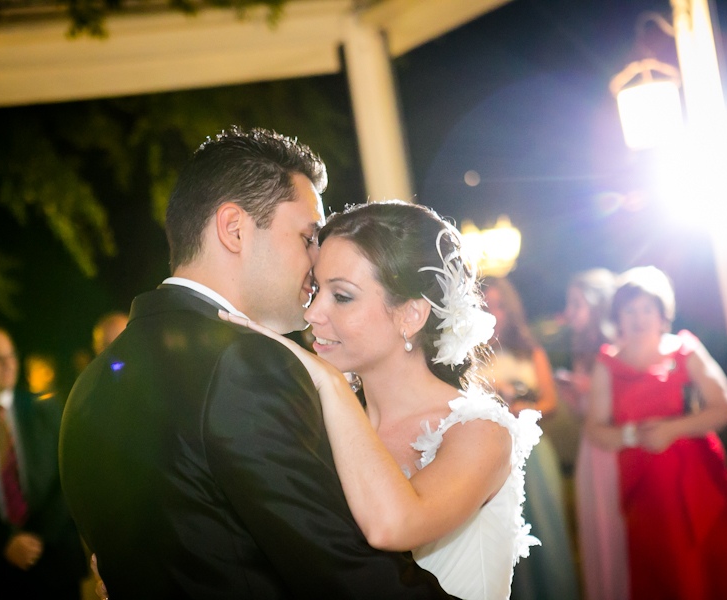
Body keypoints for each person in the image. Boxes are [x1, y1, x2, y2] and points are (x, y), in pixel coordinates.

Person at [59, 126, 457, 599]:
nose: (317, 260)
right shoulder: (245, 363)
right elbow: (343, 573)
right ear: (234, 229)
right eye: (308, 237)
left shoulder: (91, 385)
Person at [224, 200, 542, 599]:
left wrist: (331, 384)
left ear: (410, 315)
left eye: (341, 296)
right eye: (317, 289)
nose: (314, 313)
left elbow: (394, 525)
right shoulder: (317, 423)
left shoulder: (481, 433)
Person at [586, 266, 727, 600]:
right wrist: (633, 436)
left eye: (647, 309)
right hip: (645, 490)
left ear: (662, 314)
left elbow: (725, 406)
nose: (639, 318)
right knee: (665, 570)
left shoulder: (685, 350)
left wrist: (673, 429)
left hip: (698, 483)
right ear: (618, 316)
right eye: (630, 310)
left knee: (718, 566)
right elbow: (596, 429)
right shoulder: (607, 364)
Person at [0, 323, 85, 600]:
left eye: (11, 355)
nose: (8, 364)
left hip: (52, 559)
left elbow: (67, 477)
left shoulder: (44, 410)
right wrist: (3, 541)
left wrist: (37, 538)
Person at [480, 277, 580, 600]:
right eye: (486, 305)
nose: (494, 313)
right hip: (490, 453)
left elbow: (550, 402)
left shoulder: (530, 350)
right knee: (502, 532)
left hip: (532, 450)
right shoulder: (470, 354)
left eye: (499, 305)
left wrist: (526, 407)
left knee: (544, 526)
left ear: (510, 309)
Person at [557, 269, 627, 600]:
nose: (569, 313)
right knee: (598, 528)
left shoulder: (619, 347)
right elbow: (585, 414)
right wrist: (575, 396)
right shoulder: (582, 349)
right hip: (591, 450)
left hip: (617, 449)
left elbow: (630, 408)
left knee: (620, 526)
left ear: (598, 305)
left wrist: (592, 389)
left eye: (576, 304)